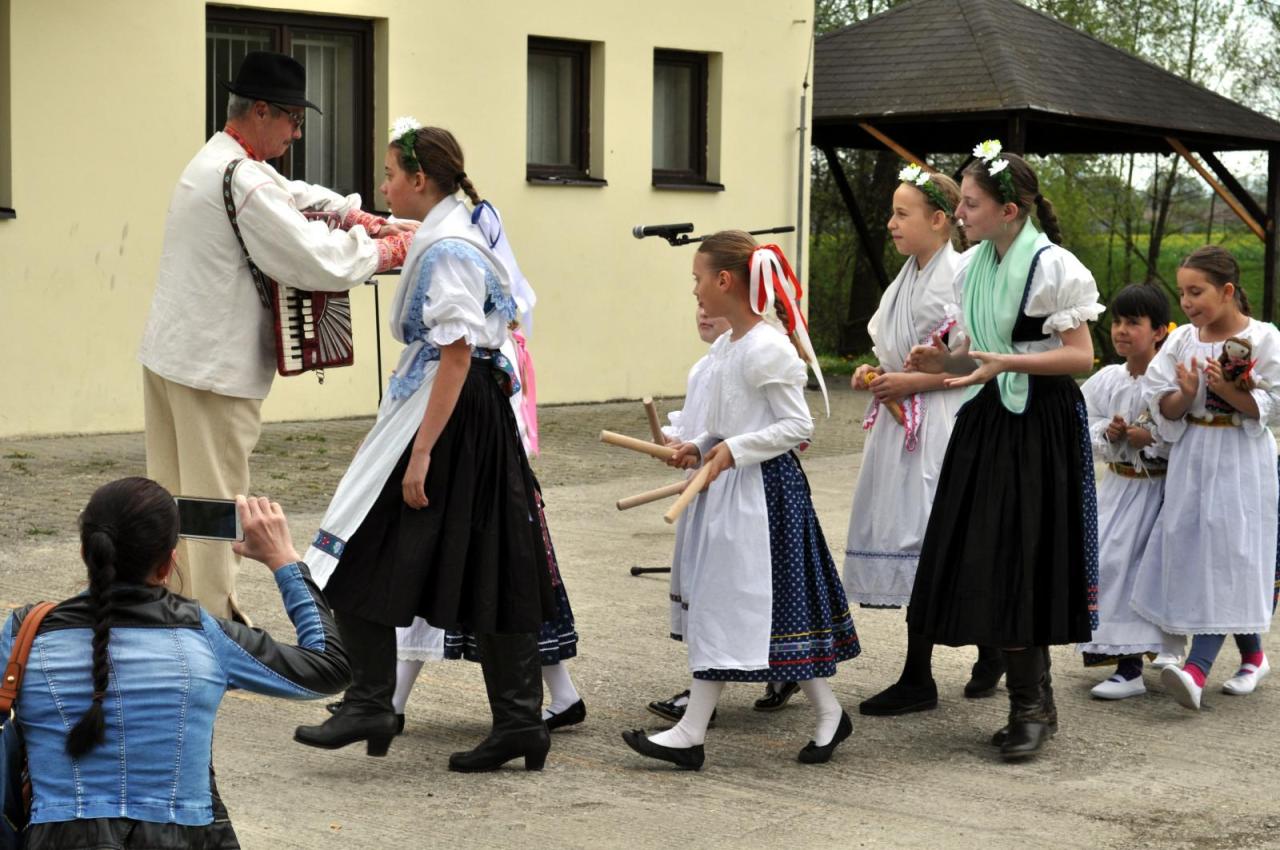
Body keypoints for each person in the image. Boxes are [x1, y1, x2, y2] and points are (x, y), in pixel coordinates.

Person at [294, 119, 555, 772]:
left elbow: (458, 354)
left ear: (418, 179)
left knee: (354, 543)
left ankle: (375, 702)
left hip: (450, 413)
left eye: (390, 175)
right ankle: (516, 721)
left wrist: (421, 453)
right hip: (466, 410)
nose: (383, 186)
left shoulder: (449, 248)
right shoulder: (450, 231)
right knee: (491, 559)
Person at [138, 51, 413, 620]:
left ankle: (168, 611)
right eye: (292, 117)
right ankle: (211, 626)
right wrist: (387, 247)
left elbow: (293, 195)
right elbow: (312, 259)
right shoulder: (241, 176)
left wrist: (352, 215)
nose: (298, 131)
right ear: (260, 110)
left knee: (173, 502)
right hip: (213, 374)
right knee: (213, 507)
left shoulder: (219, 160)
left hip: (174, 359)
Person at [0, 478, 350, 850]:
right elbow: (328, 667)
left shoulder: (26, 633)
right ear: (168, 564)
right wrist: (284, 561)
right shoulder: (207, 637)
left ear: (86, 551)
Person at [622, 231, 859, 771]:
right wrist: (700, 444)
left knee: (747, 608)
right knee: (730, 608)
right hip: (729, 490)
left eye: (698, 278)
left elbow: (797, 427)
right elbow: (730, 423)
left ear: (724, 281)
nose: (695, 290)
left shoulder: (766, 348)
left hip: (764, 495)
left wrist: (733, 448)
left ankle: (697, 732)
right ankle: (813, 715)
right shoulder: (728, 346)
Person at [905, 141, 1102, 762]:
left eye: (970, 203)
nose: (960, 213)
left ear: (1008, 210)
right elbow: (979, 352)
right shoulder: (975, 267)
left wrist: (1004, 364)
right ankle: (1031, 699)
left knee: (1024, 552)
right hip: (991, 415)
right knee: (988, 552)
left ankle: (1031, 706)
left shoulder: (1053, 267)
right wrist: (943, 361)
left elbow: (1081, 357)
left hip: (1040, 421)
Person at [380, 211, 586, 732]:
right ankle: (393, 700)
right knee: (481, 573)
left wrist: (423, 450)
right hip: (479, 454)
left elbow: (463, 376)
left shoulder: (478, 348)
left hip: (478, 458)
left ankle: (394, 703)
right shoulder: (484, 339)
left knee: (476, 571)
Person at [843, 164, 1004, 717]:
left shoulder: (959, 276)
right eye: (891, 213)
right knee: (918, 536)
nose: (890, 223)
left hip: (941, 422)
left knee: (933, 536)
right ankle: (984, 651)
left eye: (901, 214)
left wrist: (913, 381)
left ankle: (924, 674)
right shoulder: (905, 278)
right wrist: (876, 372)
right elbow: (895, 349)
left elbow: (977, 360)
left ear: (939, 220)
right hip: (901, 423)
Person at [1129, 245, 1280, 710]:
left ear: (1227, 290)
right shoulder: (1182, 341)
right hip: (1193, 455)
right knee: (1198, 552)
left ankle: (1196, 669)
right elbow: (1163, 406)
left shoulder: (1263, 338)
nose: (1187, 302)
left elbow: (1271, 407)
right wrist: (1187, 392)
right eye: (1182, 293)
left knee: (1231, 553)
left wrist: (1229, 391)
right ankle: (1254, 657)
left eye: (1197, 292)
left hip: (1239, 459)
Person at [1075, 284, 1172, 699]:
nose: (1121, 330)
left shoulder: (1168, 381)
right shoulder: (1108, 379)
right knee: (1109, 564)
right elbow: (1081, 419)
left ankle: (1141, 662)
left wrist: (1149, 438)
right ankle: (1124, 660)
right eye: (1117, 321)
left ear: (1159, 332)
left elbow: (1183, 430)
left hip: (1158, 492)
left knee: (1145, 572)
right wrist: (1109, 432)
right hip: (1117, 488)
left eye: (1134, 322)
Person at [645, 305, 733, 725]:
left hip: (731, 487)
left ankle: (708, 698)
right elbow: (700, 429)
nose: (702, 312)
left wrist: (702, 453)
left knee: (728, 592)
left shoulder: (744, 358)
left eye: (712, 307)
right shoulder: (704, 367)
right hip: (704, 489)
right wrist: (676, 443)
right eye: (697, 304)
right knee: (708, 590)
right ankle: (705, 696)